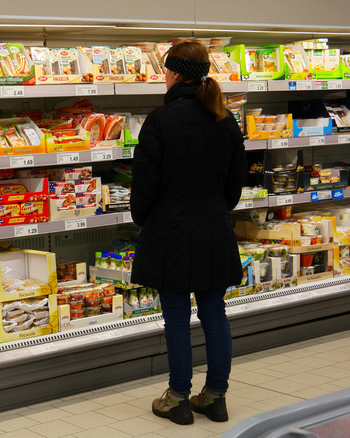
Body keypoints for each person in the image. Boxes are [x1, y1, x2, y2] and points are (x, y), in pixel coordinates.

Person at [130, 40, 247, 425]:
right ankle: (215, 397)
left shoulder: (161, 121)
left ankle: (178, 397)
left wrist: (144, 218)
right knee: (215, 313)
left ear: (176, 72)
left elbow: (145, 183)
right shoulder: (225, 118)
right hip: (214, 225)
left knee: (177, 317)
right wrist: (214, 210)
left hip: (171, 229)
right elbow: (235, 182)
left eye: (165, 70)